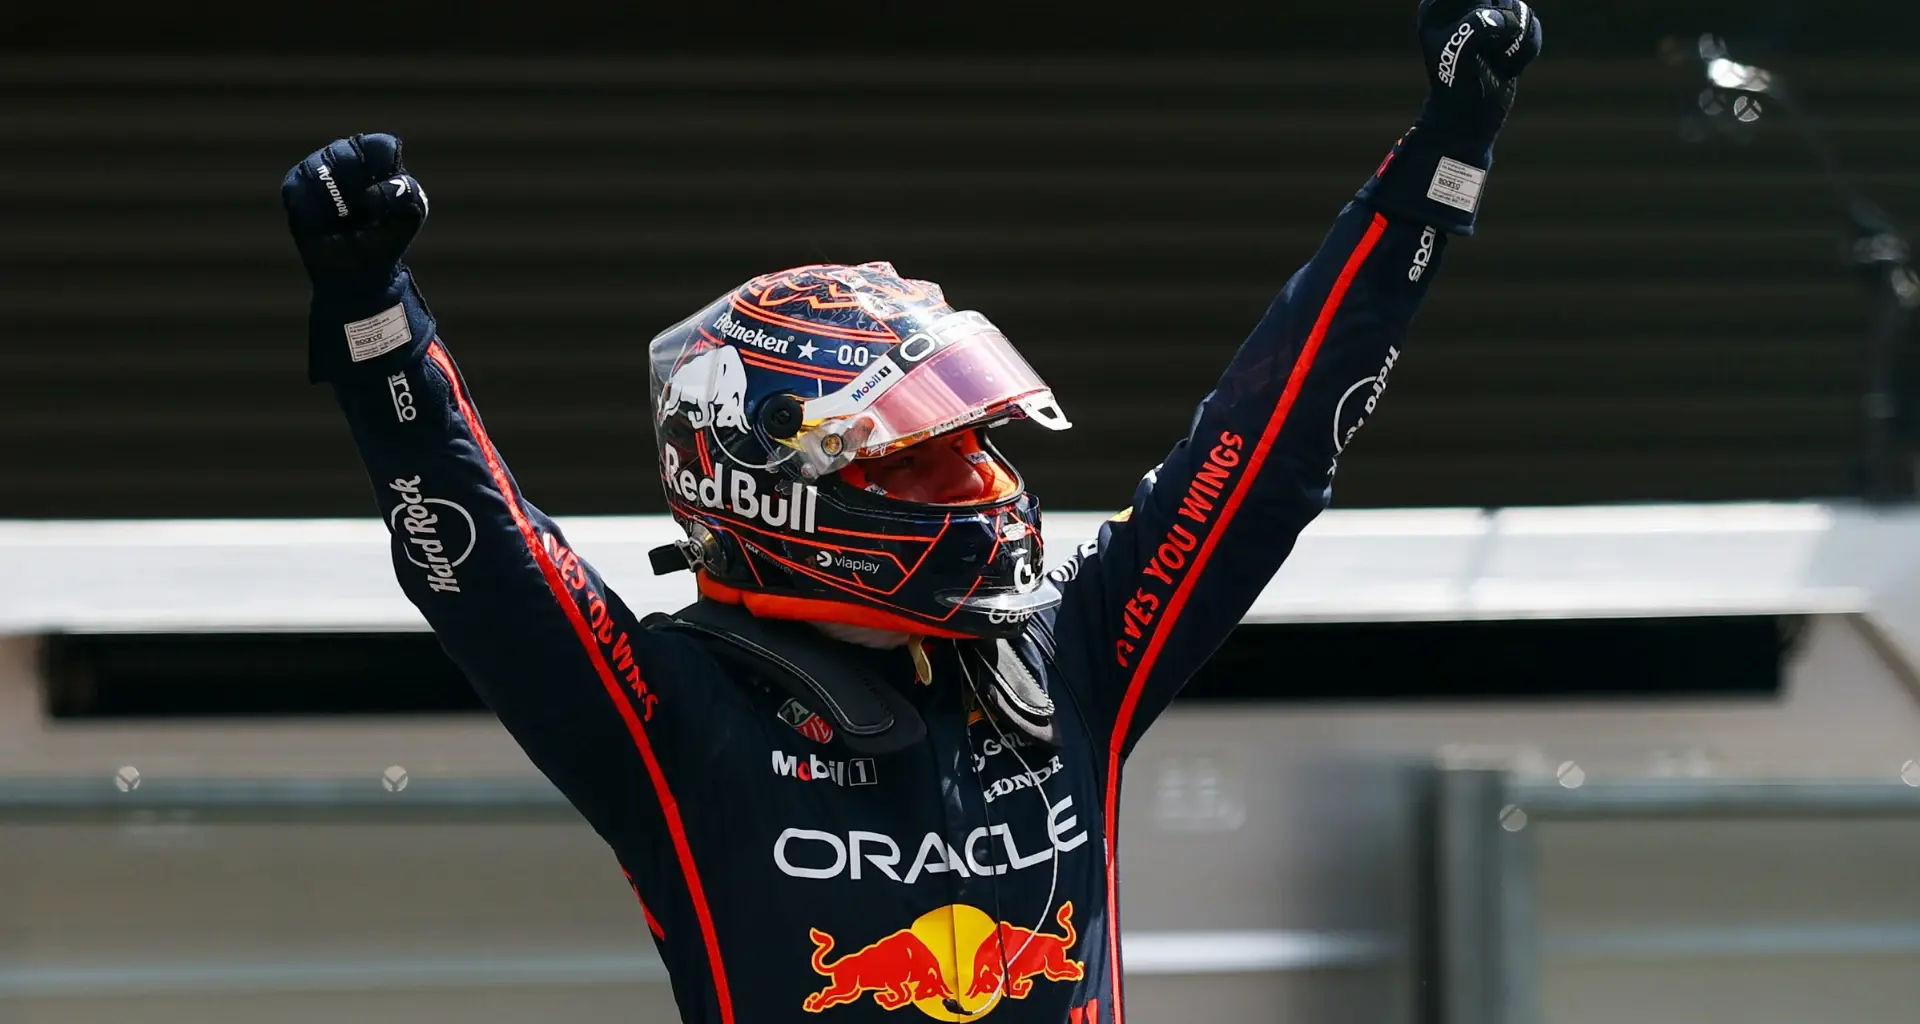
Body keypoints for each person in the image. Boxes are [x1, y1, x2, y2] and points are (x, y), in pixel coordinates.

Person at [280, 2, 1540, 1020]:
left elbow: (1266, 447)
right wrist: (377, 326)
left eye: (975, 445)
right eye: (922, 458)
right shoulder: (674, 719)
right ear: (778, 485)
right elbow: (484, 565)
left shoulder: (1067, 657)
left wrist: (1445, 159)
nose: (981, 485)